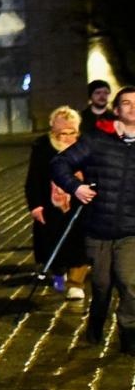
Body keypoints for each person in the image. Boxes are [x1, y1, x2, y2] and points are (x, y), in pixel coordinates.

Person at [51, 87, 135, 351]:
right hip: (98, 227)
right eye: (126, 103)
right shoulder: (97, 139)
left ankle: (129, 332)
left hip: (131, 229)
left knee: (130, 283)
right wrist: (75, 187)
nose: (133, 107)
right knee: (101, 285)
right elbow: (59, 164)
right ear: (117, 109)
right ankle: (95, 324)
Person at [27, 108, 91, 302]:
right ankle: (58, 275)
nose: (68, 137)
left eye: (73, 132)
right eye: (63, 133)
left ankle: (76, 283)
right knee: (53, 243)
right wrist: (36, 205)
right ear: (54, 131)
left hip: (81, 204)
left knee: (80, 245)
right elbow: (34, 178)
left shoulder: (86, 146)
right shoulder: (43, 147)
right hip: (51, 206)